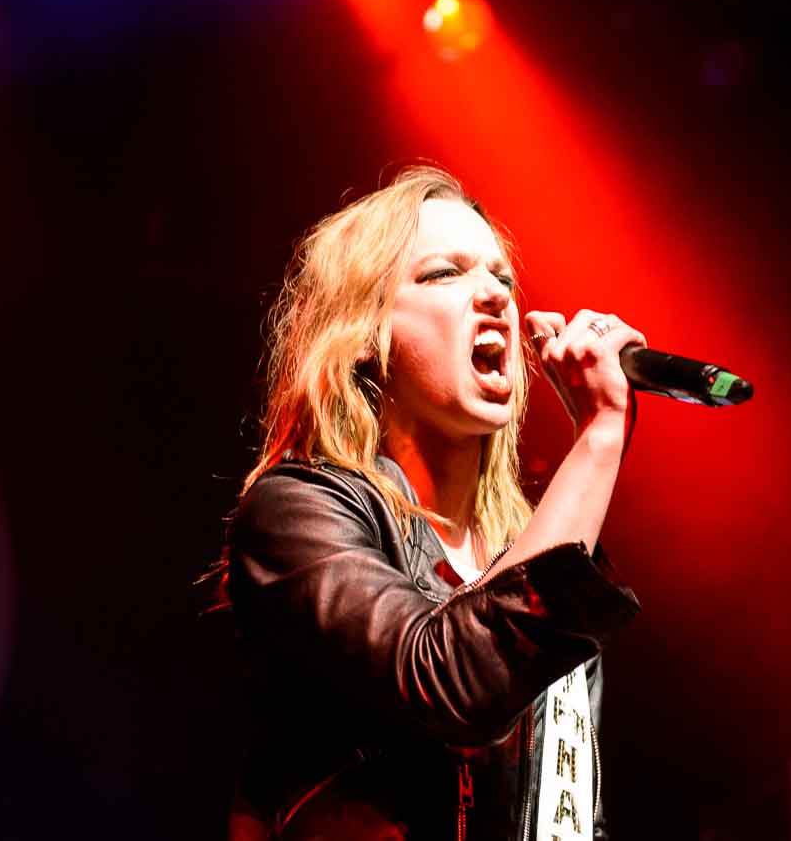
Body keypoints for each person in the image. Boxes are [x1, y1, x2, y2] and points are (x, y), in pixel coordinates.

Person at [222, 165, 645, 840]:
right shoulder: (297, 511)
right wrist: (597, 437)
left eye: (502, 278)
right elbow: (448, 680)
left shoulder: (548, 568)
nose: (493, 296)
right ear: (362, 331)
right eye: (444, 274)